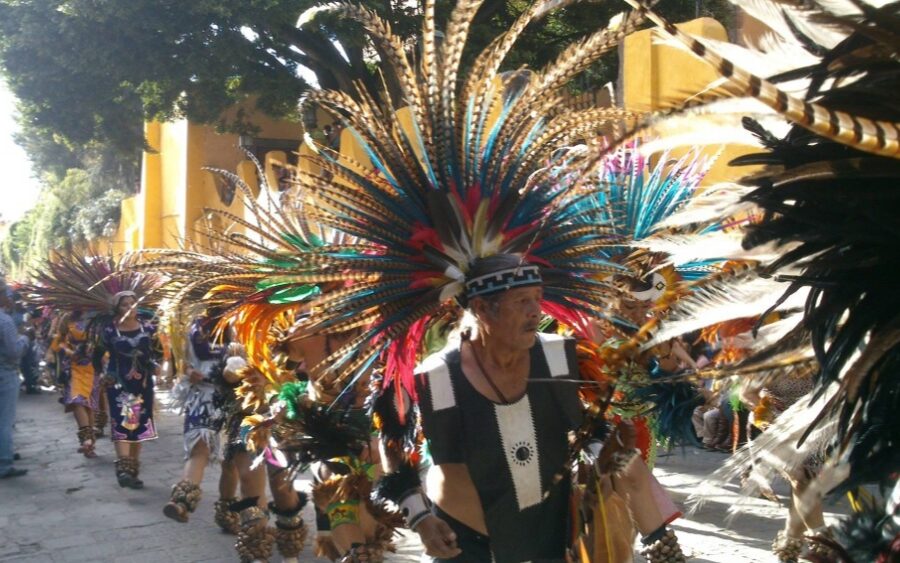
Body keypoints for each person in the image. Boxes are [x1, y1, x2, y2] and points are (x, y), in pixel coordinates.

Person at [164, 314, 228, 522]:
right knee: (199, 446)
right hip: (201, 396)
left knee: (232, 461)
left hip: (234, 399)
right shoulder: (194, 325)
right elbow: (183, 361)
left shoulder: (244, 319)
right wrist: (190, 371)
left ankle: (228, 510)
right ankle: (181, 501)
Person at [96, 291, 160, 488]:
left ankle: (132, 470)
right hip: (119, 383)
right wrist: (102, 374)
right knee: (124, 422)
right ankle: (123, 469)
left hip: (143, 384)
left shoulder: (148, 328)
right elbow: (96, 355)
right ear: (117, 308)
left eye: (133, 303)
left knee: (138, 425)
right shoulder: (109, 331)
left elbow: (160, 353)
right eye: (124, 305)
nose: (130, 307)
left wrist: (157, 365)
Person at [52, 310, 102, 458]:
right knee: (77, 402)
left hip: (92, 369)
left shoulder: (96, 319)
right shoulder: (66, 318)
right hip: (73, 370)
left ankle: (90, 443)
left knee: (89, 407)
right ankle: (86, 440)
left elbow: (103, 345)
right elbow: (58, 343)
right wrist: (68, 351)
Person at [0, 283, 28, 479]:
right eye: (6, 294)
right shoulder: (4, 321)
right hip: (5, 373)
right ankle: (4, 462)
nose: (9, 297)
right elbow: (14, 351)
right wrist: (26, 339)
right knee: (5, 421)